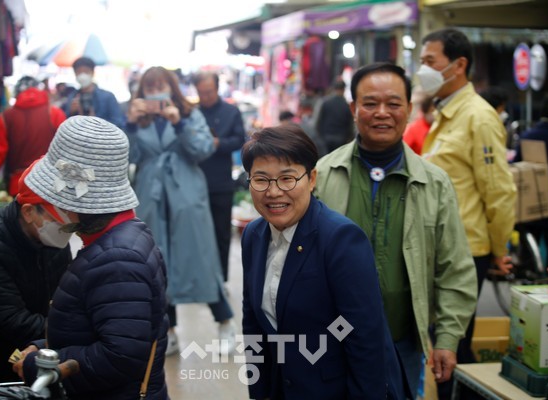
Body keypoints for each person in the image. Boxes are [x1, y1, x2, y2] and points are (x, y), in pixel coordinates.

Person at [314, 62, 477, 399]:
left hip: (403, 340)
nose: (382, 113)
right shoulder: (323, 174)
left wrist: (447, 338)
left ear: (408, 108)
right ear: (353, 109)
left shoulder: (434, 183)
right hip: (330, 337)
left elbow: (455, 267)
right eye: (370, 103)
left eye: (393, 103)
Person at [240, 124, 406, 399]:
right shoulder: (254, 236)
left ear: (312, 178)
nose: (274, 192)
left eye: (287, 178)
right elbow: (253, 326)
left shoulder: (340, 239)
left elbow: (364, 339)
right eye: (261, 179)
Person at [12, 116, 169, 400]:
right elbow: (100, 323)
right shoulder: (118, 240)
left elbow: (120, 356)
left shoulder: (118, 258)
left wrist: (41, 364)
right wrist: (45, 345)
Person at [419, 28, 516, 395]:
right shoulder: (447, 114)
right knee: (447, 342)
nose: (423, 69)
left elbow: (499, 190)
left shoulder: (478, 116)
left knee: (451, 343)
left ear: (458, 65)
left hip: (466, 249)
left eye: (430, 61)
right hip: (443, 244)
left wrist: (499, 249)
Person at [126, 66, 236, 356]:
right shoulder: (138, 118)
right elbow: (128, 156)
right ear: (142, 92)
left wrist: (179, 124)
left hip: (186, 193)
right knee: (157, 262)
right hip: (151, 194)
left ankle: (225, 322)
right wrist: (132, 126)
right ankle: (169, 331)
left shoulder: (188, 113)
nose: (155, 93)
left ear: (171, 88)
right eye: (150, 88)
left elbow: (202, 150)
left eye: (160, 86)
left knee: (200, 257)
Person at [0, 166, 72, 389]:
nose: (67, 230)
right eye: (60, 221)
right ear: (28, 212)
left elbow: (65, 297)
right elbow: (15, 322)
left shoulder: (53, 240)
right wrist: (75, 331)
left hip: (34, 356)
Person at [193, 71, 246, 283]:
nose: (205, 96)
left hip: (222, 183)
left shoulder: (231, 111)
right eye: (201, 93)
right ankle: (200, 278)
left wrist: (218, 143)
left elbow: (239, 140)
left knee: (221, 234)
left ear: (216, 89)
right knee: (197, 234)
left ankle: (220, 279)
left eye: (209, 92)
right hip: (195, 183)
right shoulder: (192, 114)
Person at [0, 76, 66, 196]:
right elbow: (65, 148)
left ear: (17, 94)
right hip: (49, 183)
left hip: (18, 184)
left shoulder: (7, 117)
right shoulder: (54, 113)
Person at [513, 96, 548, 266]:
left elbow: (517, 165)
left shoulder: (528, 135)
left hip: (532, 204)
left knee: (529, 244)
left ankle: (526, 273)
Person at [63, 57, 125, 129]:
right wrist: (71, 114)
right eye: (79, 72)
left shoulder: (108, 97)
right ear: (75, 74)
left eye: (86, 71)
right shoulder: (72, 97)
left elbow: (118, 123)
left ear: (92, 72)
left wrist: (96, 122)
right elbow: (65, 125)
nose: (82, 75)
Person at [315, 79, 355, 153]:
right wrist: (350, 138)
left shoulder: (326, 103)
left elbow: (318, 122)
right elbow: (350, 126)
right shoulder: (346, 106)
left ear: (334, 89)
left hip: (326, 138)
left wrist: (320, 136)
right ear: (344, 89)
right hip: (341, 140)